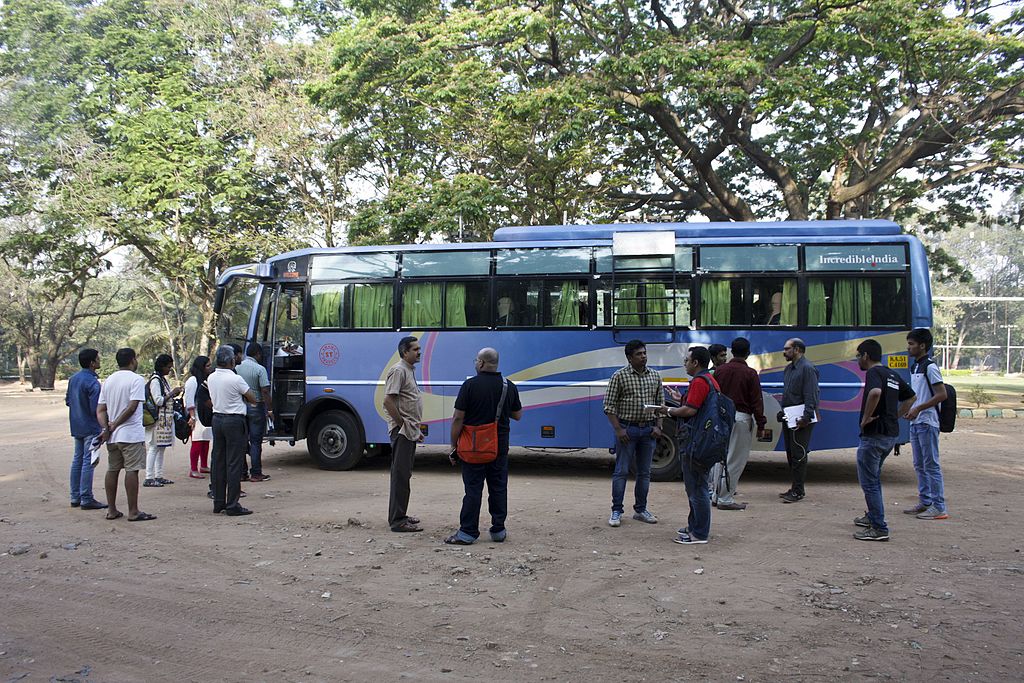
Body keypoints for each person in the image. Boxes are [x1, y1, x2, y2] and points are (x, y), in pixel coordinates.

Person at [444, 348, 523, 545]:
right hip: (499, 446)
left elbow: (458, 418)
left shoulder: (470, 385)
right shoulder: (508, 386)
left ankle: (468, 532)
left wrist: (454, 445)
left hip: (472, 446)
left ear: (480, 363)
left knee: (473, 489)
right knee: (498, 487)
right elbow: (518, 415)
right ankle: (498, 530)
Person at [853, 339, 915, 541]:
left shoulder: (874, 373)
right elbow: (911, 397)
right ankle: (872, 516)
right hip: (890, 434)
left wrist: (866, 418)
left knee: (869, 483)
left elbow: (875, 392)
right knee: (874, 478)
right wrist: (896, 415)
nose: (857, 360)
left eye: (858, 356)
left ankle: (879, 527)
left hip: (874, 435)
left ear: (865, 356)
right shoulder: (892, 373)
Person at [602, 339, 664, 527]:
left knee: (644, 473)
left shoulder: (654, 375)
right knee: (621, 471)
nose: (643, 356)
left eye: (644, 353)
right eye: (639, 354)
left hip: (648, 430)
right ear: (629, 357)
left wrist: (658, 426)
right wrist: (619, 429)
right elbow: (608, 406)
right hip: (627, 430)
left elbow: (661, 405)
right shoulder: (619, 377)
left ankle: (641, 509)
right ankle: (616, 511)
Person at [660, 346, 718, 544]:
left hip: (696, 442)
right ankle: (694, 526)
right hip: (702, 440)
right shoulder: (709, 380)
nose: (684, 363)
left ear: (695, 363)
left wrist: (667, 410)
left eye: (687, 360)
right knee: (695, 486)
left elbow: (690, 411)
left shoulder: (700, 382)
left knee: (697, 488)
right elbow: (694, 405)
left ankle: (699, 533)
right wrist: (681, 399)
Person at [96, 347, 156, 522]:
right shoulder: (136, 379)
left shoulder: (109, 380)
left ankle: (112, 509)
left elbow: (100, 410)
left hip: (113, 436)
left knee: (112, 469)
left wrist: (107, 428)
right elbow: (132, 407)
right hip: (130, 433)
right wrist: (115, 424)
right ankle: (133, 511)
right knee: (132, 470)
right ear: (132, 360)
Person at [709, 337, 767, 511]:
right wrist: (761, 424)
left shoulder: (720, 371)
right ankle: (725, 499)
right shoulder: (750, 374)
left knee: (720, 458)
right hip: (741, 418)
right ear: (748, 353)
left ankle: (716, 495)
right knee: (735, 460)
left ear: (731, 352)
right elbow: (756, 401)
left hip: (721, 417)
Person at [208, 345, 259, 516]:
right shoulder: (235, 379)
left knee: (219, 460)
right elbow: (251, 397)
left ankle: (218, 501)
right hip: (234, 420)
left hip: (217, 419)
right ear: (230, 361)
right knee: (234, 462)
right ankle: (232, 503)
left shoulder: (212, 377)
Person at [905, 328, 949, 520]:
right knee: (919, 464)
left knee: (931, 464)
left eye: (912, 344)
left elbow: (941, 394)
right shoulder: (915, 366)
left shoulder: (930, 367)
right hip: (916, 422)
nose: (909, 347)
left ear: (922, 346)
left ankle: (939, 506)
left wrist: (919, 408)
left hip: (927, 422)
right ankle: (926, 501)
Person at [383, 336, 424, 532]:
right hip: (402, 433)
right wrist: (403, 426)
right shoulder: (399, 371)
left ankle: (401, 515)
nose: (419, 352)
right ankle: (397, 521)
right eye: (415, 349)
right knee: (400, 475)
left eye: (419, 348)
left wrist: (414, 429)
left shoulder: (408, 370)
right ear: (405, 352)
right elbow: (388, 401)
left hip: (408, 432)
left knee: (404, 474)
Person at [65, 348, 107, 510]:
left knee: (77, 459)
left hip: (77, 424)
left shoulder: (73, 379)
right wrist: (103, 426)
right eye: (97, 358)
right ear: (92, 363)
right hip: (90, 425)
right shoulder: (92, 382)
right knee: (88, 462)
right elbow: (96, 408)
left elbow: (68, 401)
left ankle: (75, 496)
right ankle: (86, 497)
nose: (99, 360)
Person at [778, 338, 819, 503]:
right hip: (790, 417)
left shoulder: (807, 369)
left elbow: (811, 394)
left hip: (801, 419)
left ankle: (798, 491)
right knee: (791, 454)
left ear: (796, 350)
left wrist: (806, 417)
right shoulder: (789, 369)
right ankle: (795, 487)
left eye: (787, 349)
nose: (784, 352)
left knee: (799, 454)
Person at [144, 354, 182, 488]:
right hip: (158, 418)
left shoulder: (161, 379)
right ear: (162, 366)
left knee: (160, 448)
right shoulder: (156, 380)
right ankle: (149, 476)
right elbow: (158, 400)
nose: (169, 370)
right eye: (168, 367)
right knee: (154, 448)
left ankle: (158, 475)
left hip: (164, 418)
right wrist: (172, 393)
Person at [237, 343, 273, 482]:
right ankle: (256, 473)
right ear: (258, 354)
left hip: (240, 407)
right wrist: (269, 409)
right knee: (256, 441)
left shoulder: (237, 367)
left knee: (242, 441)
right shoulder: (260, 369)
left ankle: (242, 472)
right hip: (256, 406)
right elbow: (265, 390)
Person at [184, 355, 212, 479]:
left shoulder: (205, 379)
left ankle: (204, 465)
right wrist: (192, 416)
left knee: (205, 440)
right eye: (207, 366)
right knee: (197, 441)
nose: (209, 368)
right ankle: (193, 468)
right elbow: (189, 399)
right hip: (196, 414)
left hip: (205, 414)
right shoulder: (193, 380)